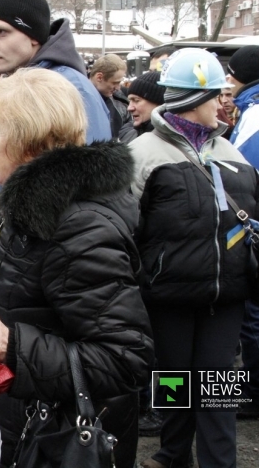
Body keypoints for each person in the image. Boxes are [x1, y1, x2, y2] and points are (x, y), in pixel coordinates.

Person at [0, 68, 153, 468]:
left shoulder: (78, 225)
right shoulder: (30, 203)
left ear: (31, 143)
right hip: (24, 428)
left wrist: (13, 345)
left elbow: (125, 359)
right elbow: (48, 293)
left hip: (55, 441)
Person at [128, 48, 259, 468]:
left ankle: (221, 462)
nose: (225, 101)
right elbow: (125, 229)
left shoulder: (232, 153)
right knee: (173, 379)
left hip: (227, 297)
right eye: (215, 94)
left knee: (219, 385)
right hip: (168, 297)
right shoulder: (142, 154)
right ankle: (173, 453)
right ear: (191, 100)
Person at [0, 0, 111, 261]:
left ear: (33, 35)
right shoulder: (20, 84)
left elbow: (75, 210)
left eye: (1, 32)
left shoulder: (64, 90)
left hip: (25, 272)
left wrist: (11, 273)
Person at [225, 45, 259, 419]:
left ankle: (251, 392)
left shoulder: (254, 115)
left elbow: (244, 179)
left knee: (251, 321)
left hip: (245, 237)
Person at [88, 53, 131, 139]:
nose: (118, 88)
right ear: (99, 77)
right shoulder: (76, 100)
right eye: (115, 83)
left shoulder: (121, 106)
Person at [119, 70, 165, 143]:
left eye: (136, 100)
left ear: (160, 103)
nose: (129, 108)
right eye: (130, 101)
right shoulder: (127, 132)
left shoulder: (171, 141)